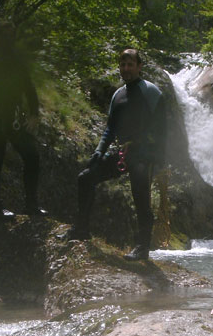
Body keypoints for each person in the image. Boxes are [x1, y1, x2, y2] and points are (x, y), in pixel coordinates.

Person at [71, 48, 166, 261]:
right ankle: (82, 230)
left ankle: (142, 248)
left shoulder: (150, 92)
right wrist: (98, 152)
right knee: (85, 178)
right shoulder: (118, 94)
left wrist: (156, 156)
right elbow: (110, 129)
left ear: (139, 67)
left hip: (144, 154)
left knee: (141, 198)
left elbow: (162, 129)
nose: (126, 69)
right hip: (123, 152)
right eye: (123, 65)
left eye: (130, 64)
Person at [0, 21, 45, 223]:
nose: (8, 39)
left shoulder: (16, 60)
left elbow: (29, 87)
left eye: (12, 35)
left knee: (32, 156)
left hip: (13, 118)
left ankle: (32, 204)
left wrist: (34, 113)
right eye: (5, 35)